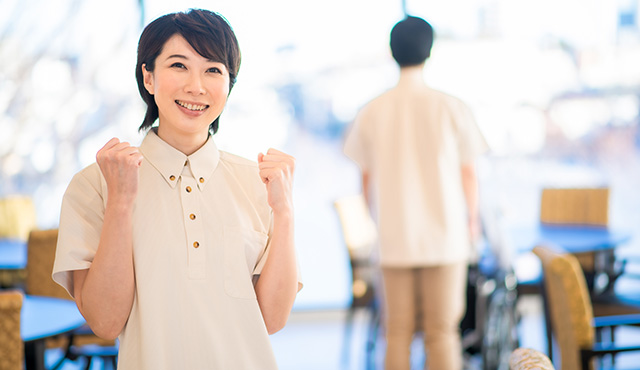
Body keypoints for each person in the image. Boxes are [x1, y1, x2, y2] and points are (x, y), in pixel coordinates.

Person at [52, 9, 301, 370]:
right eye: (179, 66)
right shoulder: (95, 184)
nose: (196, 86)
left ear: (229, 84)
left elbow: (273, 319)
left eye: (213, 70)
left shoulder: (259, 183)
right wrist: (121, 204)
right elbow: (105, 323)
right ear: (148, 77)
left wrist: (286, 213)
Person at [343, 16, 488, 370]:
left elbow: (365, 180)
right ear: (430, 51)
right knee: (442, 332)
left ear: (393, 52)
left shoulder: (371, 110)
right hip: (446, 238)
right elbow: (468, 173)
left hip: (394, 239)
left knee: (397, 332)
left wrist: (376, 220)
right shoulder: (452, 106)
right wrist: (472, 222)